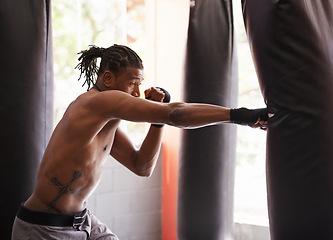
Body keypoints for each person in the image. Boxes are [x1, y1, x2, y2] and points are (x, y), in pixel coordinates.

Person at [11, 44, 268, 240]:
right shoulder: (95, 102)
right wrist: (239, 115)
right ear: (108, 79)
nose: (137, 93)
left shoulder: (105, 122)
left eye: (139, 84)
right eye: (133, 84)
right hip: (44, 229)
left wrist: (157, 122)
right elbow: (176, 114)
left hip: (81, 222)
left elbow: (142, 167)